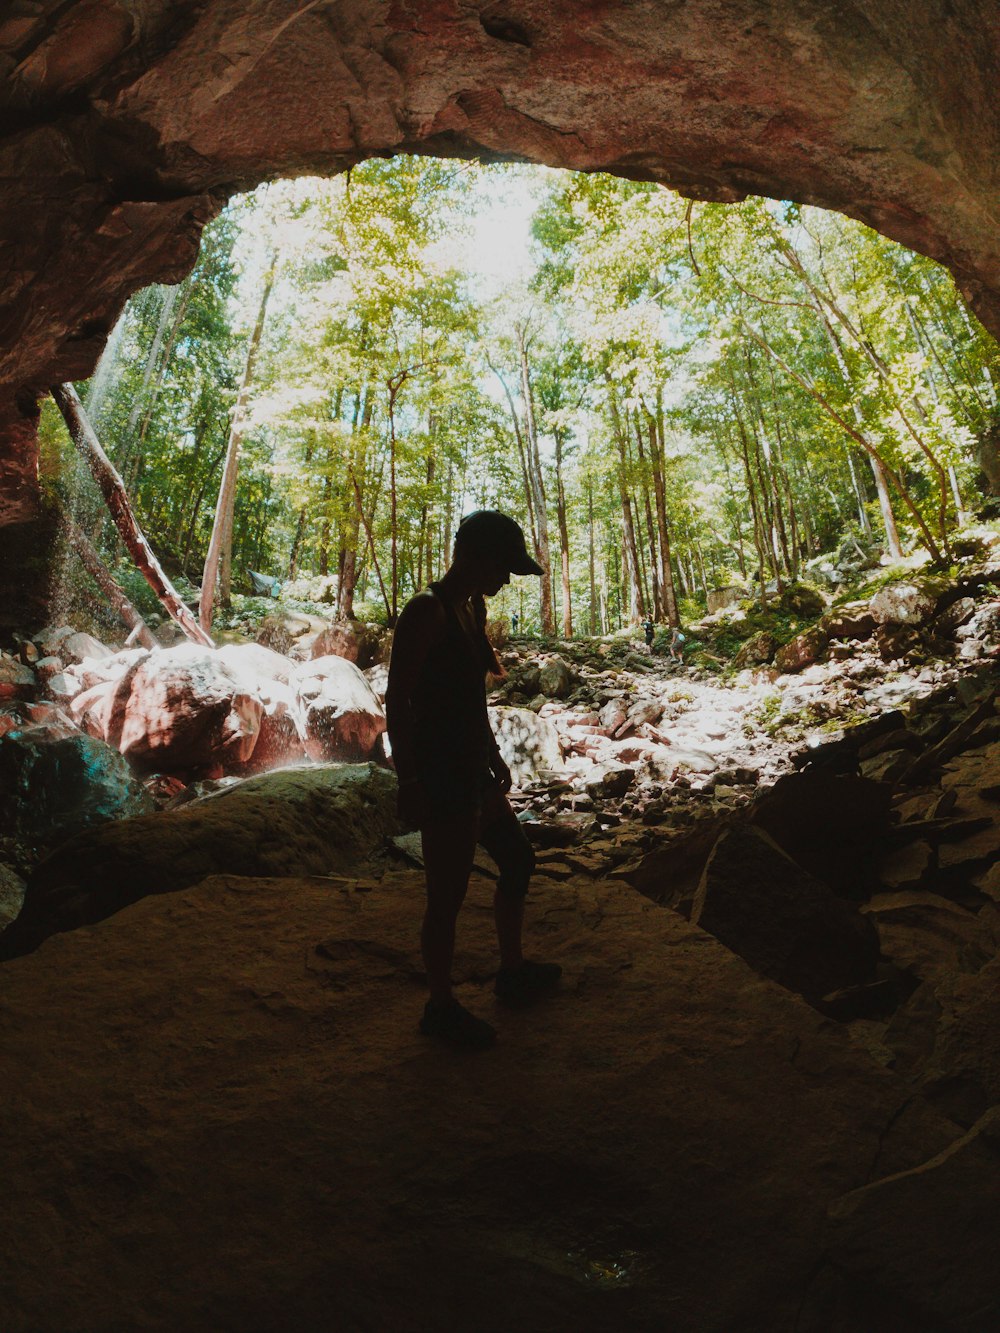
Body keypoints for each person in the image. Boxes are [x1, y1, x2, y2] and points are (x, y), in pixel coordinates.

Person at [385, 511, 562, 1048]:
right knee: (447, 896)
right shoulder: (426, 610)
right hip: (440, 776)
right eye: (503, 567)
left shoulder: (469, 609)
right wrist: (408, 780)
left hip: (471, 768)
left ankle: (512, 971)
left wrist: (493, 755)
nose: (506, 579)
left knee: (517, 860)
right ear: (475, 556)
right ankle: (440, 1007)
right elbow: (397, 699)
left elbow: (471, 696)